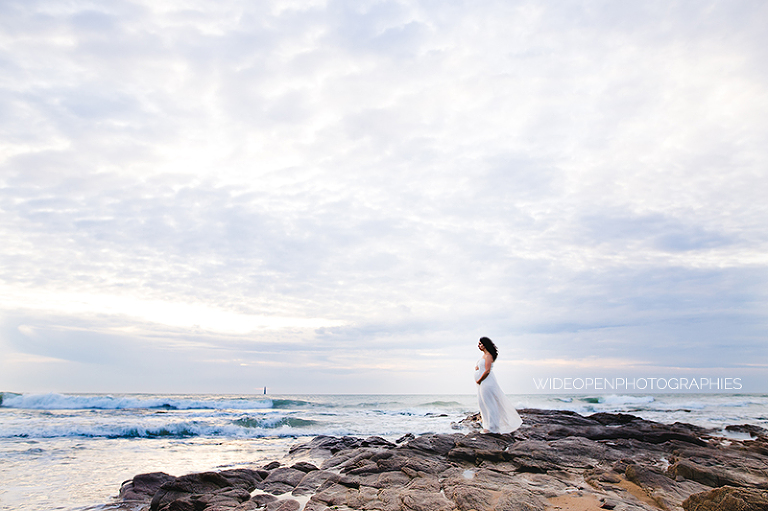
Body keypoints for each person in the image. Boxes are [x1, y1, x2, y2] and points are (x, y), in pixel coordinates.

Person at [474, 336, 523, 433]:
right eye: (478, 344)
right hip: (483, 384)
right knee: (482, 404)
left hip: (487, 383)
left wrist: (479, 380)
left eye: (480, 343)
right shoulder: (484, 356)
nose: (478, 346)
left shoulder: (488, 356)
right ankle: (487, 426)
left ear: (485, 344)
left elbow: (487, 371)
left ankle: (493, 427)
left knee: (489, 404)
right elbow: (482, 367)